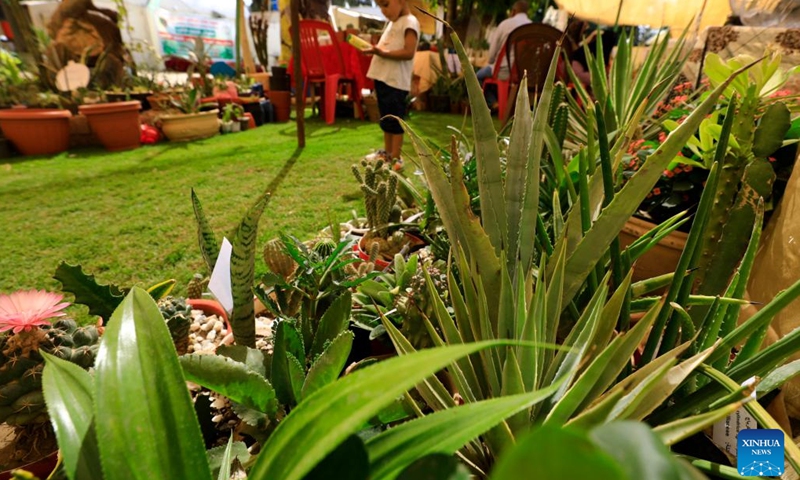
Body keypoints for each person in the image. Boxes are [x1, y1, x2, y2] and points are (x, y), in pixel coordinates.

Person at [365, 0, 420, 168]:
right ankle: (387, 154)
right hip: (384, 78)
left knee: (395, 120)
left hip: (395, 81)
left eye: (386, 4)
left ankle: (396, 157)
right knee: (386, 119)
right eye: (380, 6)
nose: (383, 10)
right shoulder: (392, 23)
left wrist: (382, 52)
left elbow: (409, 52)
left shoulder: (410, 22)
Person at [475, 1, 531, 108]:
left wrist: (492, 61)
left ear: (513, 11)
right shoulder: (532, 26)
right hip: (525, 73)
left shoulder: (505, 24)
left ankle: (494, 102)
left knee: (476, 76)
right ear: (527, 12)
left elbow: (491, 55)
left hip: (504, 70)